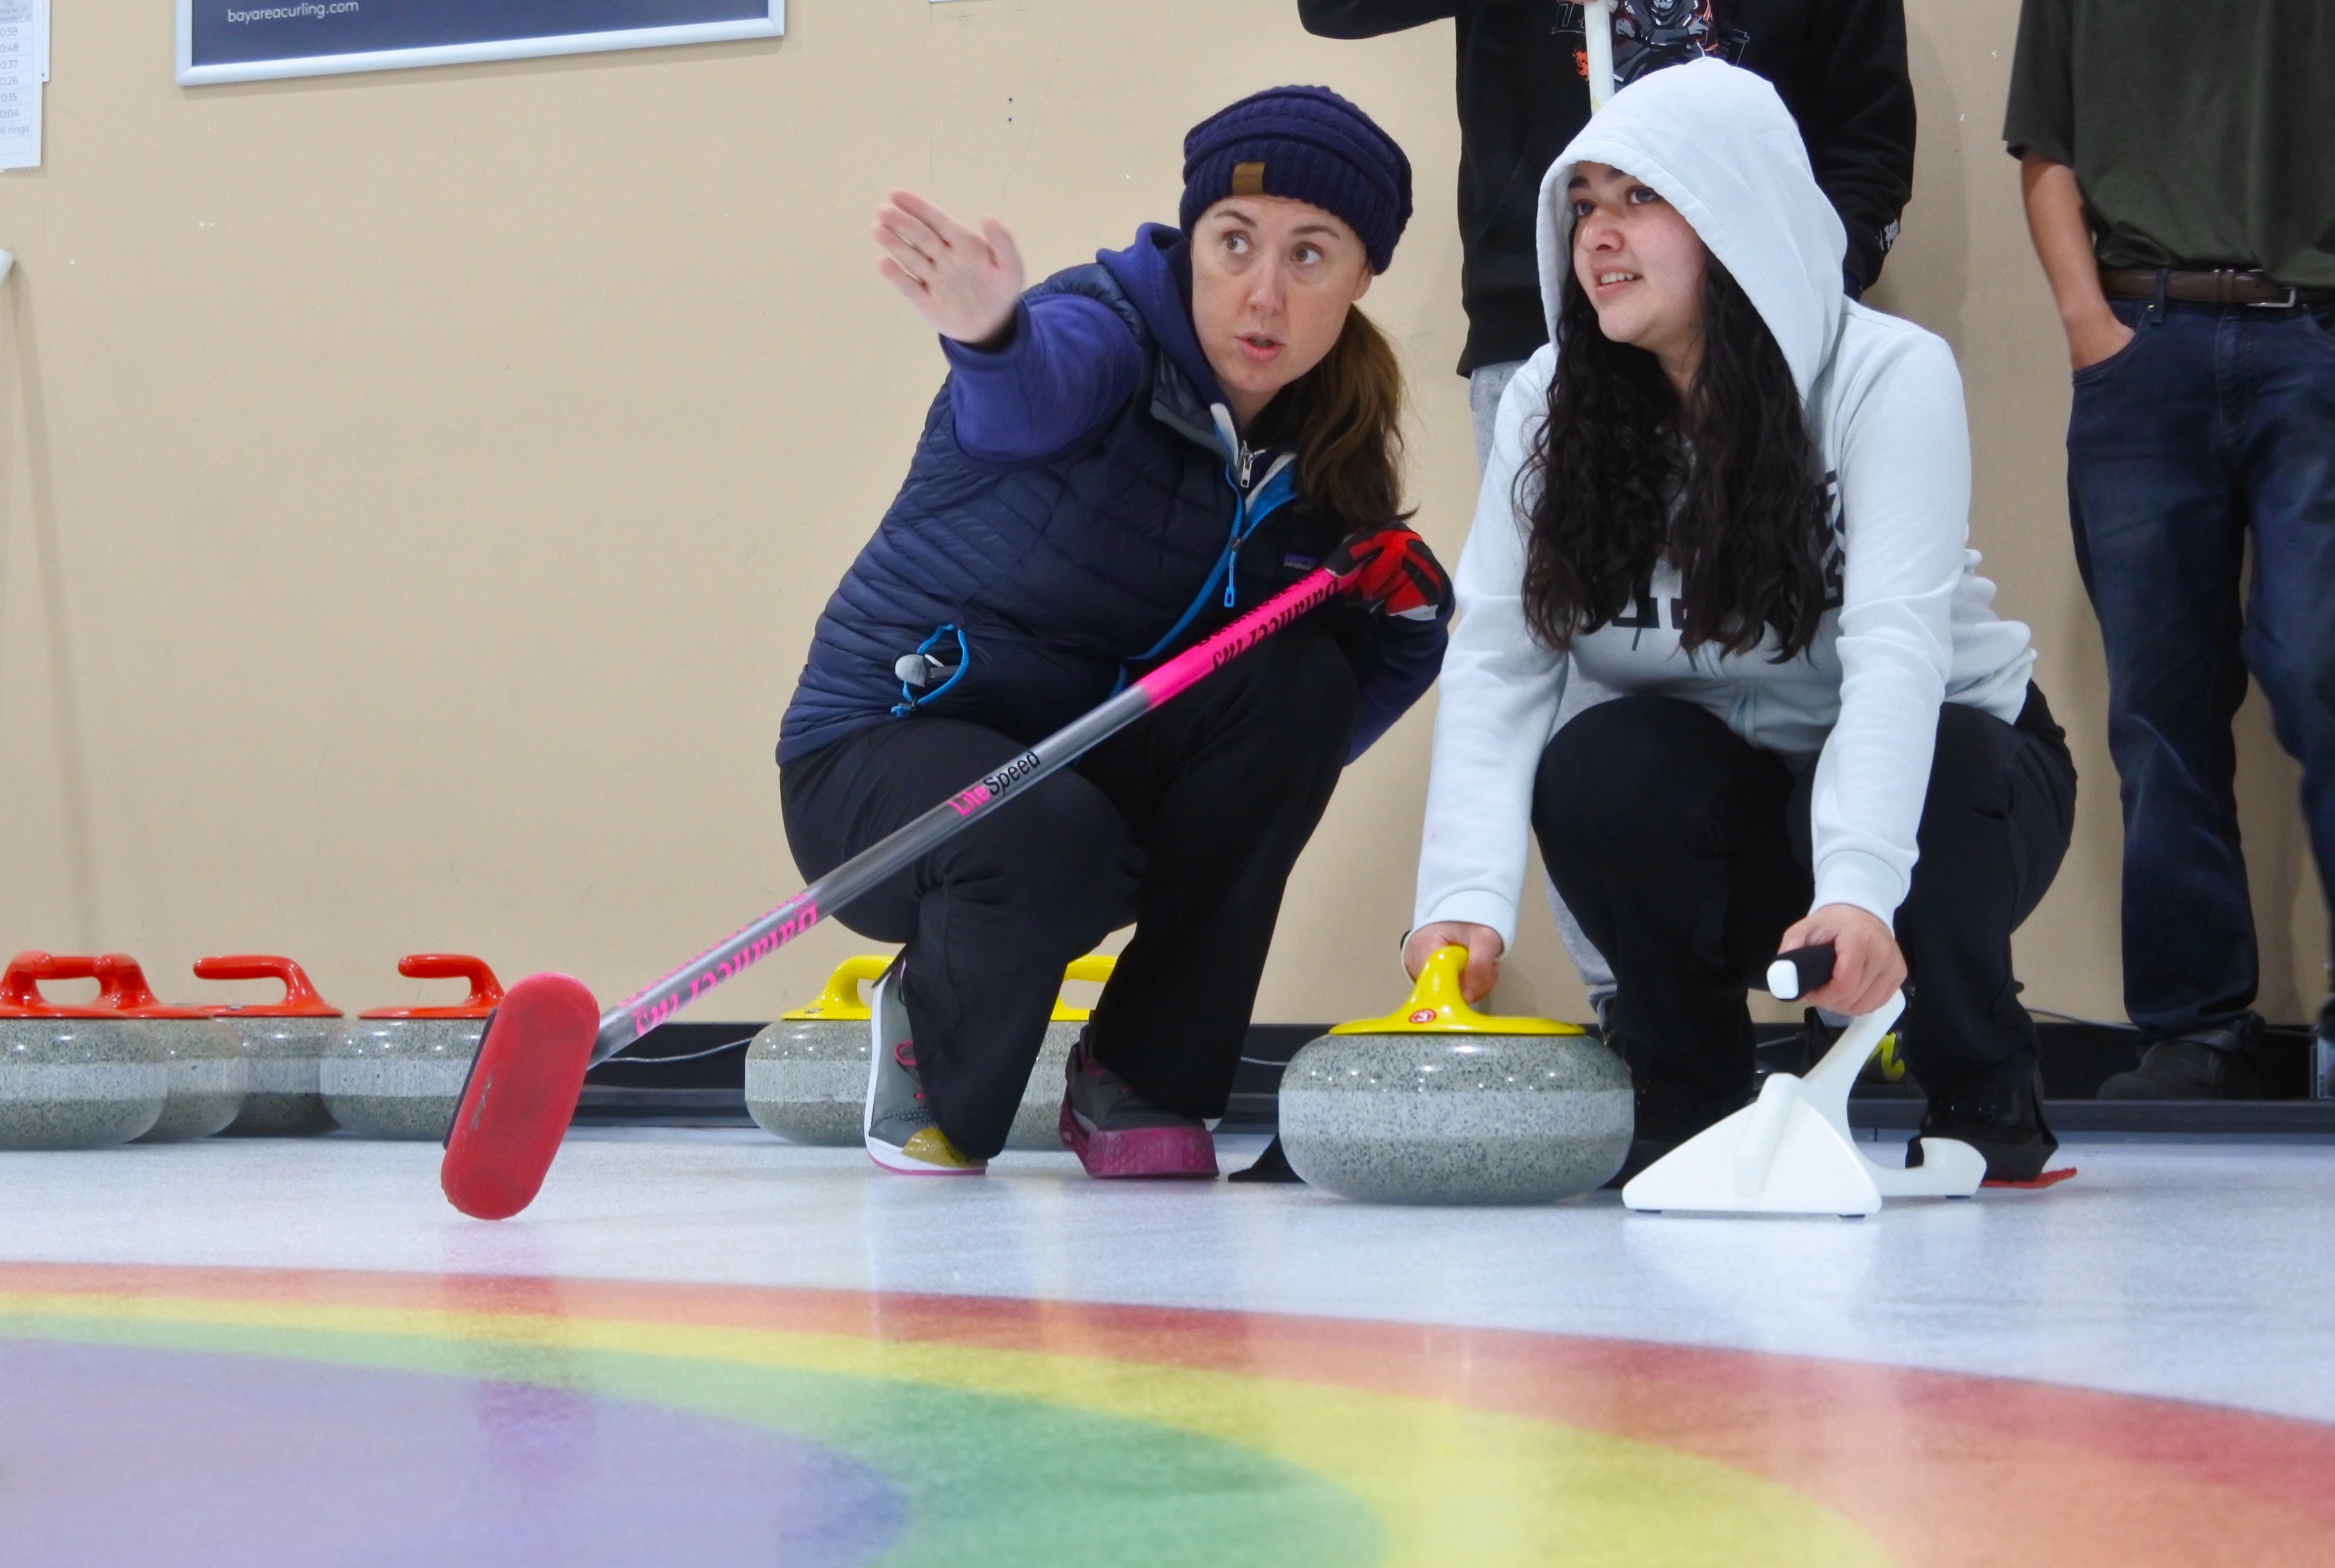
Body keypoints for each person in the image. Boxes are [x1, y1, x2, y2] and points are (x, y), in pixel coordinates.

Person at [1408, 59, 2076, 1183]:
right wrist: (1461, 903)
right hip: (1734, 803)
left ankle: (1980, 1085)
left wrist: (1858, 890)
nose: (1598, 238)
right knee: (1598, 766)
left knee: (1945, 758)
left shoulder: (1885, 375)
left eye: (1639, 200)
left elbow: (1897, 654)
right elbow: (1497, 655)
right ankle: (1690, 1095)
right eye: (1583, 206)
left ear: (1736, 215)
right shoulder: (1548, 401)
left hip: (1950, 802)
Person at [778, 87, 1453, 1179]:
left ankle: (1141, 1078)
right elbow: (1029, 397)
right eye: (1233, 244)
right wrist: (992, 337)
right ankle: (932, 1053)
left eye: (1310, 256)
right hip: (883, 765)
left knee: (1301, 678)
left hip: (1085, 779)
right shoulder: (1101, 331)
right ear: (1190, 241)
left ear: (1363, 278)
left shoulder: (1320, 438)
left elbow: (1299, 737)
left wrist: (1408, 626)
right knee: (1041, 835)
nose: (1262, 292)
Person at [1300, 0, 1918, 1021]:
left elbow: (1864, 137)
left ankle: (1840, 987)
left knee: (1817, 663)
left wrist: (1788, 305)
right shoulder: (1552, 356)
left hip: (1785, 349)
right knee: (1600, 698)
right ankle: (1643, 1022)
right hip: (1543, 329)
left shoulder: (1879, 380)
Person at [2005, 0, 2335, 1099]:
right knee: (2158, 701)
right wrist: (2087, 332)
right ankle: (2195, 1028)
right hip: (2141, 340)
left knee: (2319, 668)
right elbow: (2044, 149)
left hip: (2318, 341)